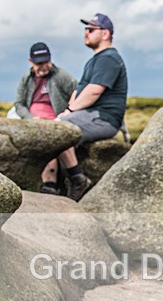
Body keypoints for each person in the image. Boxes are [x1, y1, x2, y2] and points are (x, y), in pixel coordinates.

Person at [52, 13, 129, 201]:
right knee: (55, 128)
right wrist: (67, 111)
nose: (86, 33)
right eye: (86, 29)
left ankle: (77, 179)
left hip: (103, 118)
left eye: (91, 29)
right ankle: (53, 184)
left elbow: (94, 91)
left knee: (60, 131)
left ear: (105, 33)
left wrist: (69, 113)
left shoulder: (109, 58)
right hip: (90, 115)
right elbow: (79, 91)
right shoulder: (94, 60)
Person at [11, 42, 77, 194]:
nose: (43, 67)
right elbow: (19, 104)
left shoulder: (61, 76)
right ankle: (48, 184)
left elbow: (77, 92)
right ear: (31, 61)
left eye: (46, 62)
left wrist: (67, 112)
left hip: (55, 120)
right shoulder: (26, 79)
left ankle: (52, 184)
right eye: (39, 63)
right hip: (33, 121)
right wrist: (30, 117)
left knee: (50, 141)